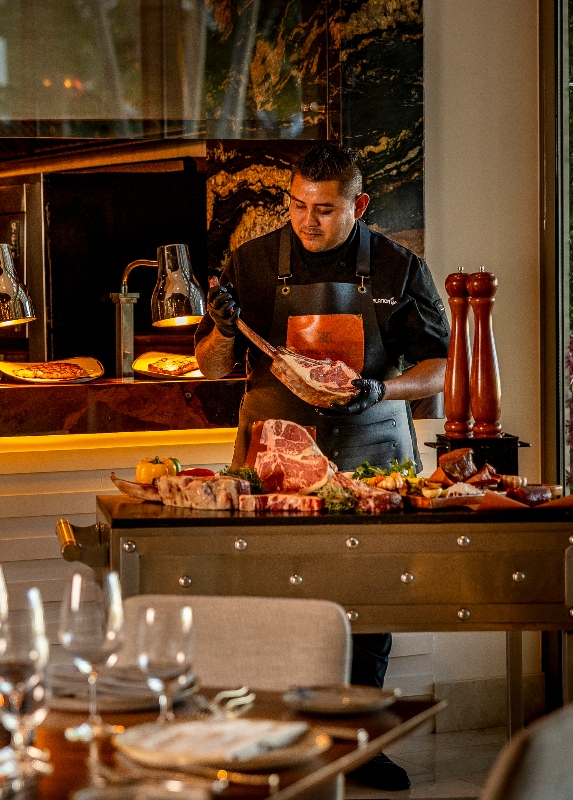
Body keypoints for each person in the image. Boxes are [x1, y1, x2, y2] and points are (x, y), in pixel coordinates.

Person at [194, 144, 448, 791]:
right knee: (269, 595)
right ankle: (272, 736)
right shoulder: (250, 263)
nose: (308, 220)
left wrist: (380, 390)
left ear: (358, 205)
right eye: (298, 205)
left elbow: (440, 367)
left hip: (372, 460)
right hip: (274, 460)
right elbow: (213, 367)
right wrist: (222, 330)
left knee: (369, 600)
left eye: (325, 209)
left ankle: (359, 742)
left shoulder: (397, 266)